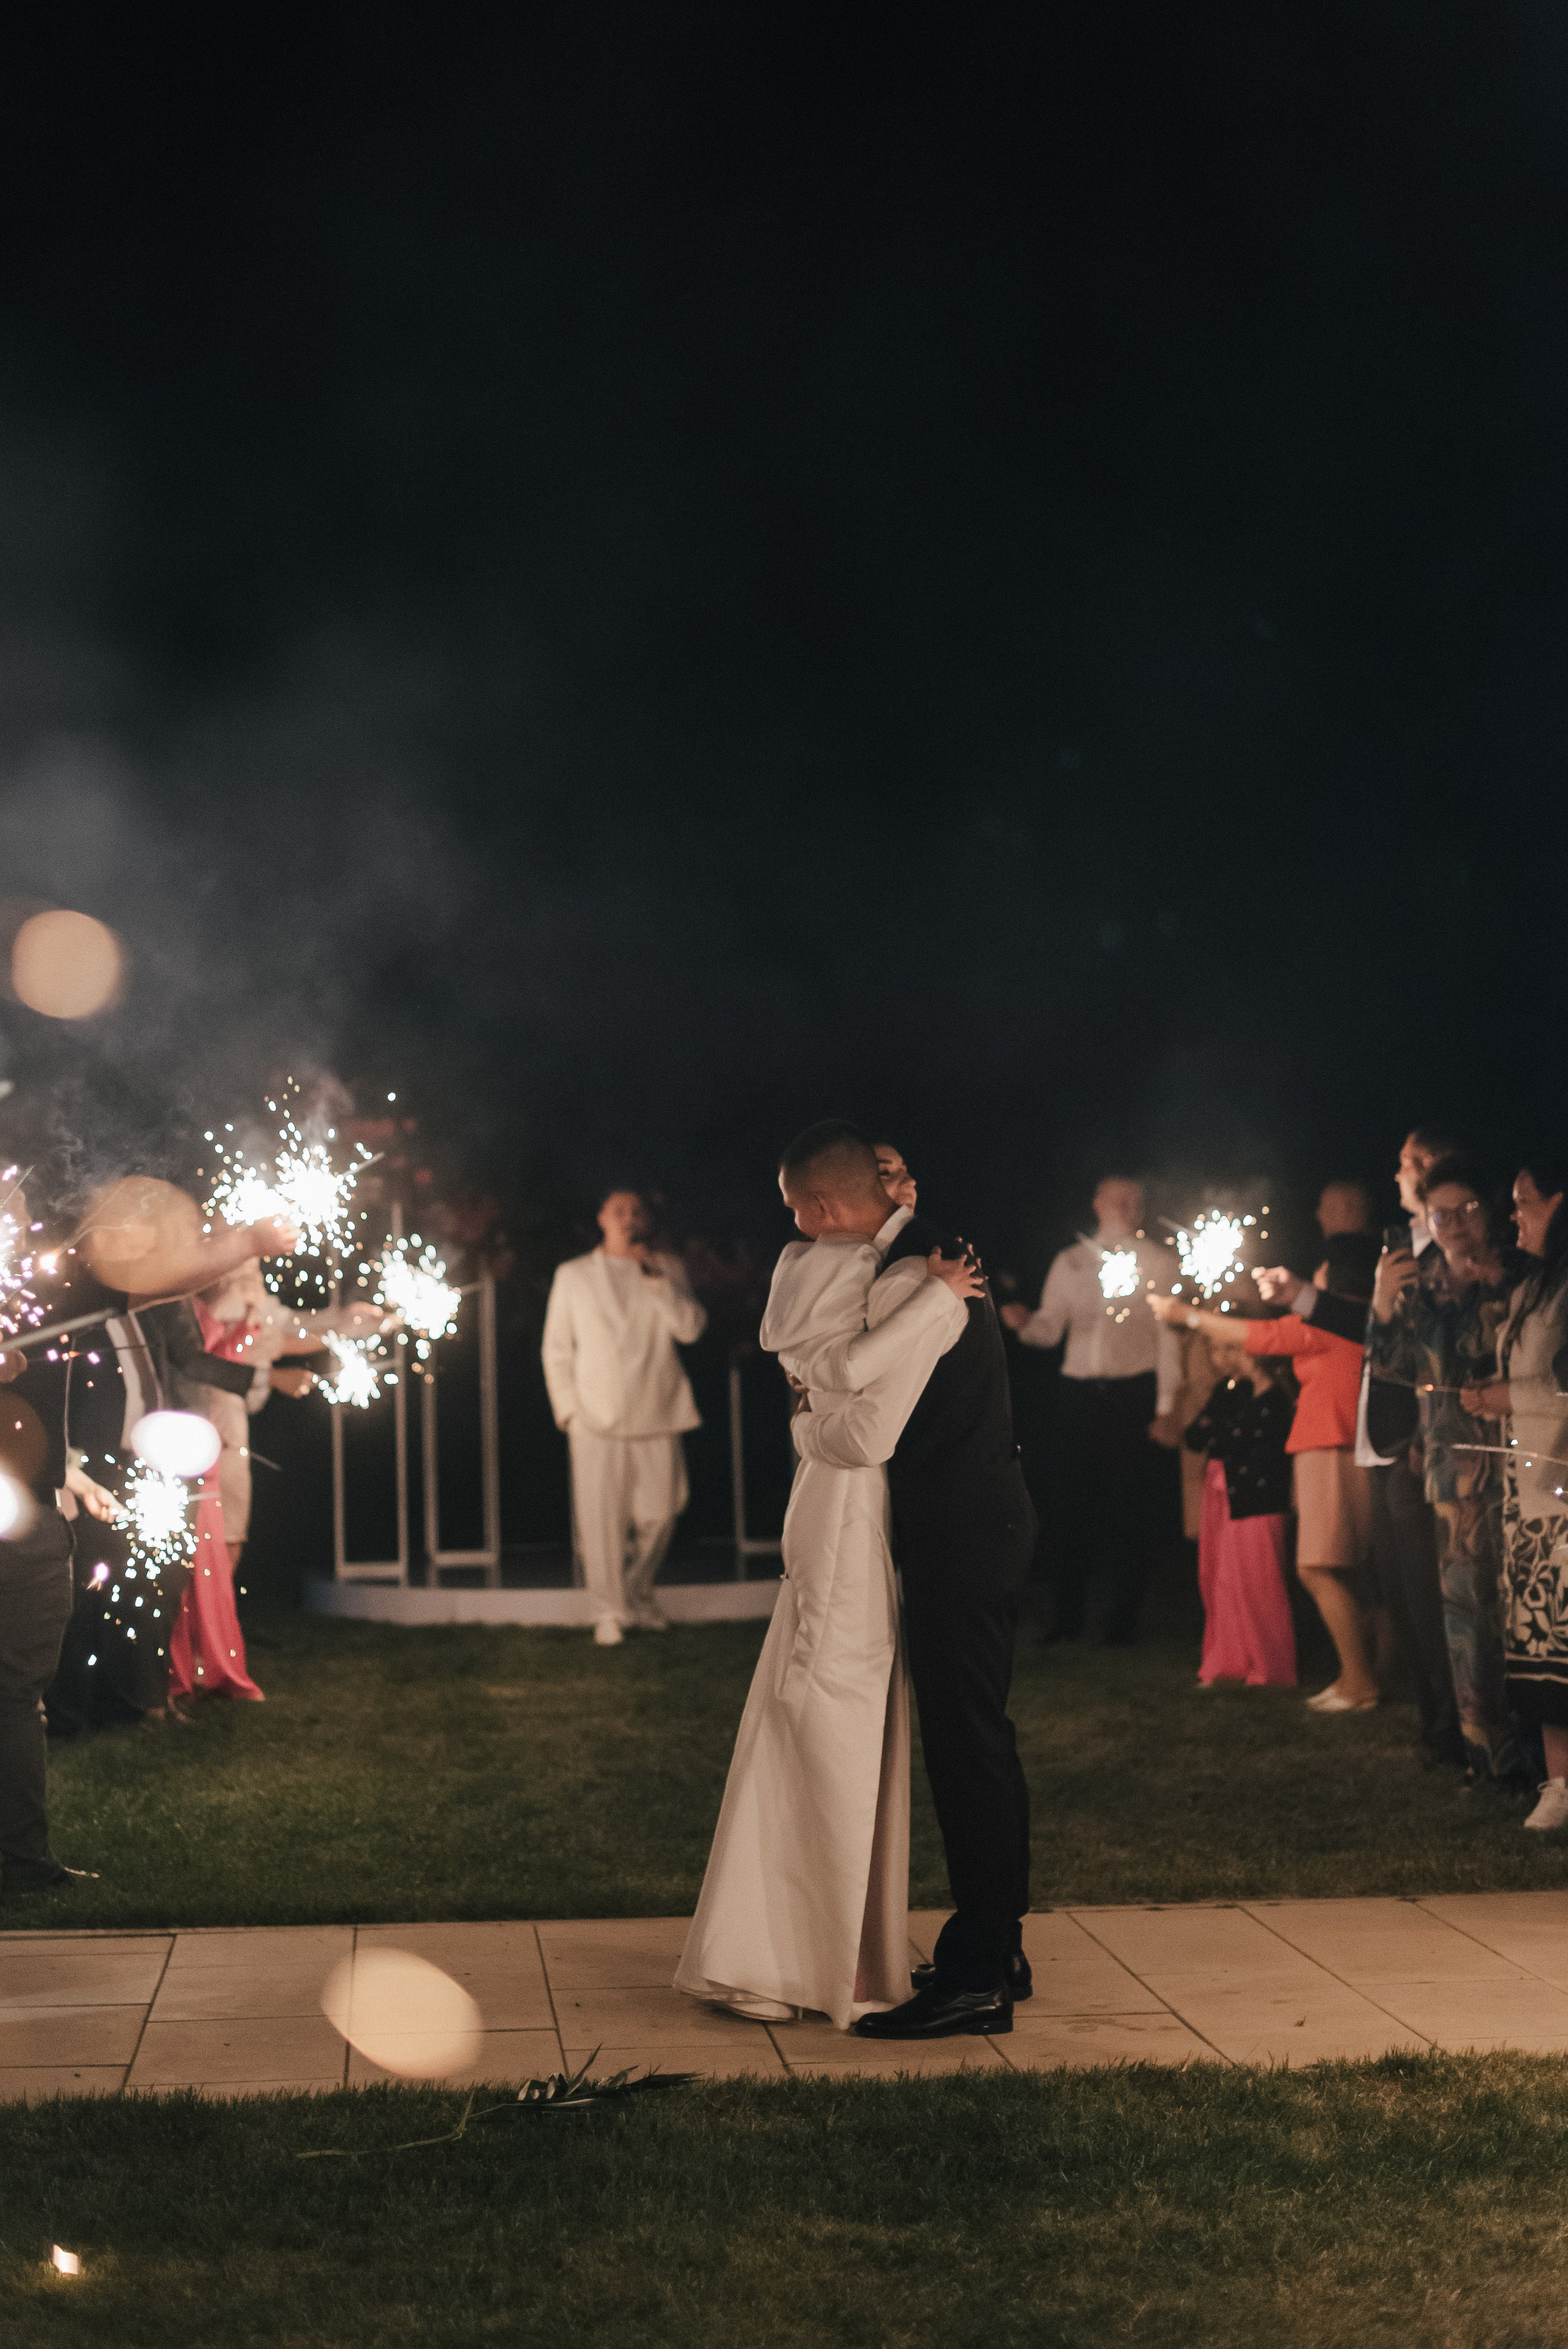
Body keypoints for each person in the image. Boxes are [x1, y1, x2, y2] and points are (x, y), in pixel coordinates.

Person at [676, 1142, 979, 2027]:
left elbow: (829, 1388)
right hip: (847, 1512)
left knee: (809, 1706)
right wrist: (934, 1304)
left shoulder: (801, 1266)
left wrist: (808, 1414)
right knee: (830, 1716)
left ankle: (800, 1950)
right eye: (887, 1172)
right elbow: (861, 1427)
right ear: (835, 1202)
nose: (905, 1182)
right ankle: (794, 1961)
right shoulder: (880, 1274)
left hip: (830, 1509)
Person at [760, 1127, 1036, 2040]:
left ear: (830, 1207)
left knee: (968, 1744)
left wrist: (806, 1423)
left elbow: (862, 1421)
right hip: (971, 1519)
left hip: (964, 1529)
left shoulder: (918, 1277)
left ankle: (980, 1973)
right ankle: (997, 1945)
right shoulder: (924, 1257)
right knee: (970, 1736)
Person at [1, 1180, 295, 1895]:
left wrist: (252, 1241)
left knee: (12, 1697)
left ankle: (20, 1863)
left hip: (34, 1523)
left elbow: (153, 1277)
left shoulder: (39, 1290)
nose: (19, 1213)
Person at [1256, 1128, 1463, 1763]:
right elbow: (1370, 1330)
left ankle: (1457, 1731)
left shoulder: (1446, 1255)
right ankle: (1435, 1728)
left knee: (1428, 1597)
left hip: (1416, 1437)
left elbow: (1419, 1341)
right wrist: (1300, 1295)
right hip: (1382, 1436)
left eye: (1406, 1164)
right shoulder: (1397, 1245)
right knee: (1400, 1592)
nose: (1397, 1174)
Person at [1154, 1232, 1381, 1711]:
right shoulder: (1366, 1322)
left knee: (1317, 1566)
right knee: (1358, 1572)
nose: (1312, 1282)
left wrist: (1186, 1315)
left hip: (1330, 1444)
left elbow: (1261, 1336)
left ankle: (1360, 1681)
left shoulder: (1329, 1322)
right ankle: (1377, 1673)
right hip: (1349, 1444)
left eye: (1319, 1275)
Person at [1368, 1154, 1525, 1782]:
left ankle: (1541, 1751)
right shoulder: (1418, 1284)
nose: (1456, 1223)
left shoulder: (1519, 1273)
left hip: (1519, 1460)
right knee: (1464, 1615)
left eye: (1467, 1209)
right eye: (1442, 1213)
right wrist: (1382, 1304)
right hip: (1448, 1471)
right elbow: (1390, 1371)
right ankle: (1483, 1753)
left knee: (1519, 1611)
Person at [1001, 1175, 1180, 1644]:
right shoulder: (1072, 1260)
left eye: (1133, 1200)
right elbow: (1049, 1329)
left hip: (1132, 1393)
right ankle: (1067, 1620)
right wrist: (1024, 1324)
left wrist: (1165, 1406)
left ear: (1141, 1209)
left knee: (1130, 1510)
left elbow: (1169, 1341)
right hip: (1078, 1394)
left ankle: (1123, 1622)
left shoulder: (1159, 1262)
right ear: (1097, 1203)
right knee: (1069, 1508)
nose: (1124, 1206)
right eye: (1116, 1198)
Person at [541, 1188, 707, 1645]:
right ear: (601, 1217)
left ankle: (636, 1590)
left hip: (658, 1408)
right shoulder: (573, 1275)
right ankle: (610, 1611)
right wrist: (569, 1410)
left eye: (636, 1211)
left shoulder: (665, 1268)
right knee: (601, 1518)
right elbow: (556, 1348)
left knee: (663, 1511)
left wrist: (656, 1280)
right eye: (620, 1210)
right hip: (594, 1416)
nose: (629, 1217)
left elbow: (690, 1329)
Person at [1461, 1152, 1568, 1827]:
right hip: (1528, 1496)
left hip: (1560, 1491)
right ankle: (1558, 1782)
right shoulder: (1538, 1284)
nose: (1514, 1215)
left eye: (1526, 1201)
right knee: (1540, 1644)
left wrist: (1513, 1396)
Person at [1183, 1334, 1296, 1688]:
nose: (1224, 1357)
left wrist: (1219, 1431)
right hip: (1233, 1492)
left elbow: (1237, 1438)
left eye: (1231, 1348)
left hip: (1257, 1498)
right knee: (1225, 1577)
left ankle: (1268, 1664)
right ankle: (1233, 1657)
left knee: (1258, 1580)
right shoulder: (1233, 1393)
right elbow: (1198, 1437)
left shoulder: (1274, 1400)